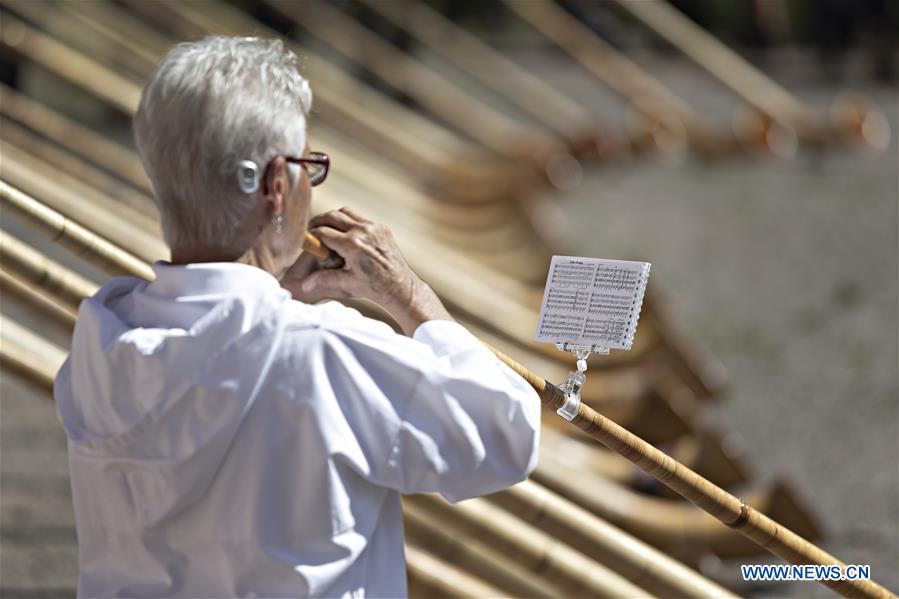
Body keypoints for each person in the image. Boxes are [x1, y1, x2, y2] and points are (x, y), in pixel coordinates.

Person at [53, 36, 540, 598]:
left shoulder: (99, 342)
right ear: (277, 185)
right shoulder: (323, 348)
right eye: (312, 166)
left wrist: (276, 288)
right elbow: (506, 433)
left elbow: (220, 358)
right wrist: (412, 297)